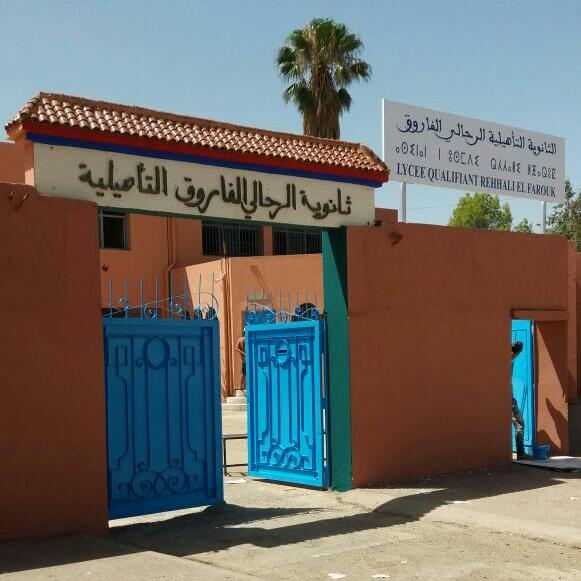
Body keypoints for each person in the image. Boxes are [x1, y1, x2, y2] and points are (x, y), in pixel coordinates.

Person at [511, 340, 531, 460]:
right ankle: (521, 453)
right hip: (508, 398)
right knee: (519, 424)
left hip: (508, 396)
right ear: (518, 352)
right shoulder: (510, 360)